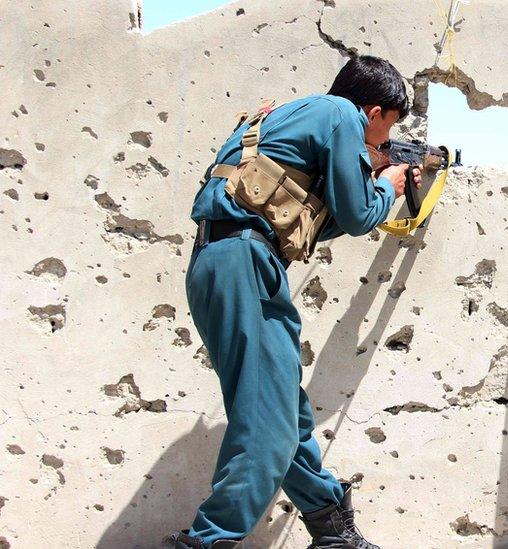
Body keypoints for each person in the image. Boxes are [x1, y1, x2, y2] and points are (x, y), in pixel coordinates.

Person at [168, 55, 420, 549]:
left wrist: (361, 168)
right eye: (387, 128)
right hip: (246, 262)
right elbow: (356, 215)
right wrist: (385, 187)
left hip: (217, 262)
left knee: (284, 411)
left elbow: (307, 220)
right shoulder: (343, 115)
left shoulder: (278, 116)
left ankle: (332, 529)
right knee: (267, 424)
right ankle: (207, 541)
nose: (383, 140)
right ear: (373, 112)